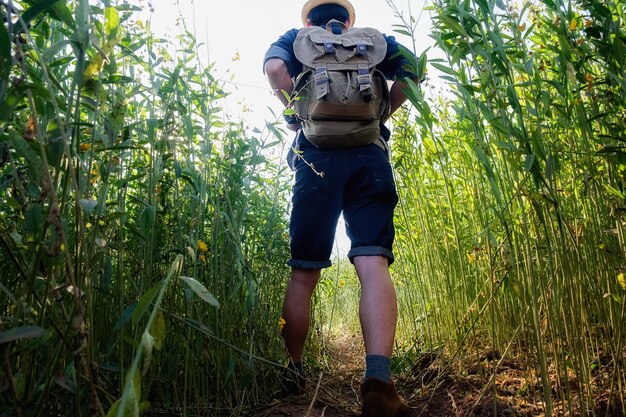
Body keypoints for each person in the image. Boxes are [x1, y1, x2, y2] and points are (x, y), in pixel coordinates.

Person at [263, 1, 415, 415]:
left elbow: (276, 71)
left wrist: (296, 115)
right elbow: (413, 71)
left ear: (308, 20)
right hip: (370, 155)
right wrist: (383, 111)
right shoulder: (374, 41)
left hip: (316, 159)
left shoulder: (295, 40)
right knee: (372, 262)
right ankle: (379, 381)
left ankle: (294, 370)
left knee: (304, 271)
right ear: (348, 20)